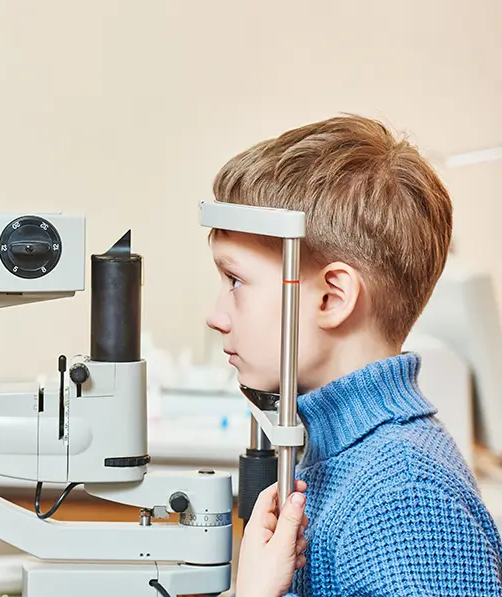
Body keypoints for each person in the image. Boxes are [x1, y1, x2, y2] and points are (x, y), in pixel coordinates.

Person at [205, 114, 502, 596]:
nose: (215, 315)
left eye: (235, 280)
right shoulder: (336, 459)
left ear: (331, 298)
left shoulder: (405, 499)